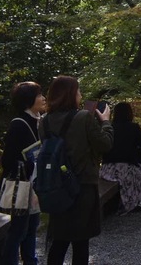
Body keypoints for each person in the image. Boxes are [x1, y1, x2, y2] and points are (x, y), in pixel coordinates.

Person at [41, 76, 113, 265]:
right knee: (81, 241)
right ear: (71, 93)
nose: (81, 95)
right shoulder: (83, 117)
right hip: (82, 185)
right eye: (78, 91)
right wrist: (105, 122)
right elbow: (105, 144)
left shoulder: (44, 121)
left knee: (59, 239)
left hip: (56, 185)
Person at [0, 82, 46, 265]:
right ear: (28, 100)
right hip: (22, 185)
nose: (43, 98)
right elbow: (8, 161)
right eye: (39, 95)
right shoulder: (19, 124)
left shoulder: (38, 121)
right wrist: (30, 164)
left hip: (33, 185)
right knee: (18, 230)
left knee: (32, 227)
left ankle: (30, 261)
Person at [99, 102, 141, 214]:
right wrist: (139, 157)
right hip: (126, 167)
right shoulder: (133, 128)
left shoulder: (109, 128)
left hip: (107, 169)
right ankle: (136, 200)